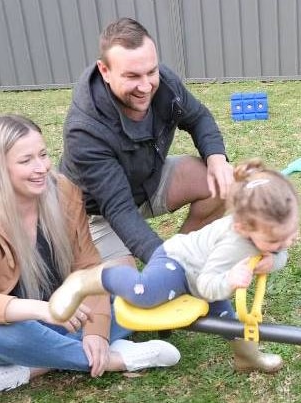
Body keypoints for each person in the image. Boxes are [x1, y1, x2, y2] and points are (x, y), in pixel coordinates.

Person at [0, 115, 180, 401]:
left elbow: (89, 268)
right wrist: (40, 310)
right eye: (26, 160)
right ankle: (117, 359)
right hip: (16, 323)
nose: (41, 168)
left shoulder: (64, 190)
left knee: (135, 294)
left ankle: (32, 367)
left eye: (43, 155)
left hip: (68, 312)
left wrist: (96, 333)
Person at [50, 159, 301, 373]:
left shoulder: (266, 231)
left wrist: (273, 258)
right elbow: (205, 284)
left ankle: (247, 357)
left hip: (203, 275)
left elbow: (279, 255)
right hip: (178, 264)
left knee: (230, 321)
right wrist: (229, 281)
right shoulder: (232, 246)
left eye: (290, 234)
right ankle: (89, 280)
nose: (286, 242)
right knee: (143, 293)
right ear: (241, 228)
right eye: (276, 240)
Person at [59, 16, 234, 269]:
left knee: (222, 182)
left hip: (147, 181)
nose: (145, 86)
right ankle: (167, 264)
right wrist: (163, 262)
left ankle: (185, 257)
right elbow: (119, 210)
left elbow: (198, 118)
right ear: (104, 71)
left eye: (151, 71)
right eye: (132, 76)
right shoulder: (85, 131)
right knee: (128, 289)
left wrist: (216, 158)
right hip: (96, 213)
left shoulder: (164, 82)